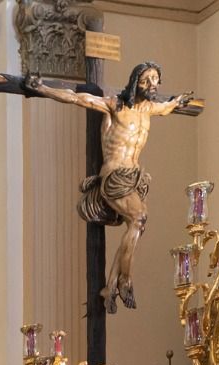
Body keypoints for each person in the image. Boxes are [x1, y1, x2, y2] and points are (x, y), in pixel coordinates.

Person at [25, 62, 193, 312]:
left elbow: (169, 106)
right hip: (115, 175)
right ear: (136, 81)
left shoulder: (149, 109)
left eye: (156, 79)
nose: (152, 85)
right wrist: (42, 89)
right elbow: (76, 98)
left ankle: (111, 284)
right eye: (147, 80)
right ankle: (125, 280)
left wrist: (178, 101)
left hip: (135, 177)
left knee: (135, 227)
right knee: (139, 219)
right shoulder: (115, 105)